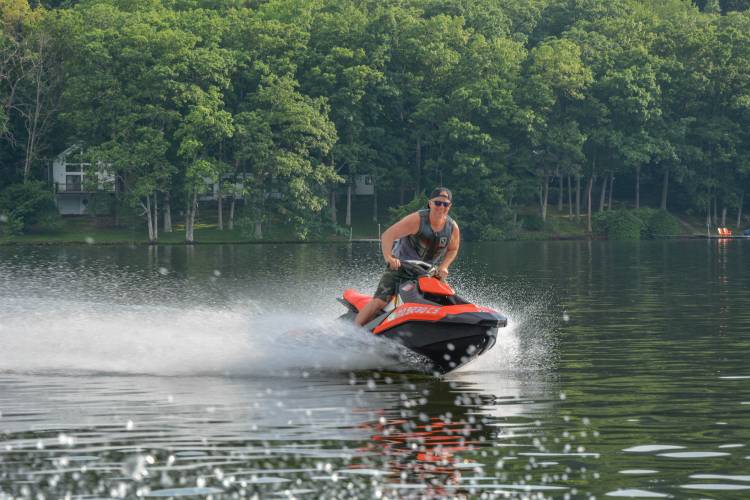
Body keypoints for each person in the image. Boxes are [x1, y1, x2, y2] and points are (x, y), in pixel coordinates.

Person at [355, 187, 460, 326]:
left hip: (427, 273)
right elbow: (387, 235)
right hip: (401, 268)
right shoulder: (417, 220)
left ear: (449, 206)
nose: (441, 207)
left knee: (449, 297)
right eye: (438, 203)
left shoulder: (452, 227)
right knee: (380, 301)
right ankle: (352, 332)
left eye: (445, 204)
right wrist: (389, 258)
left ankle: (451, 326)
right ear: (430, 203)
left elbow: (453, 249)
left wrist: (444, 266)